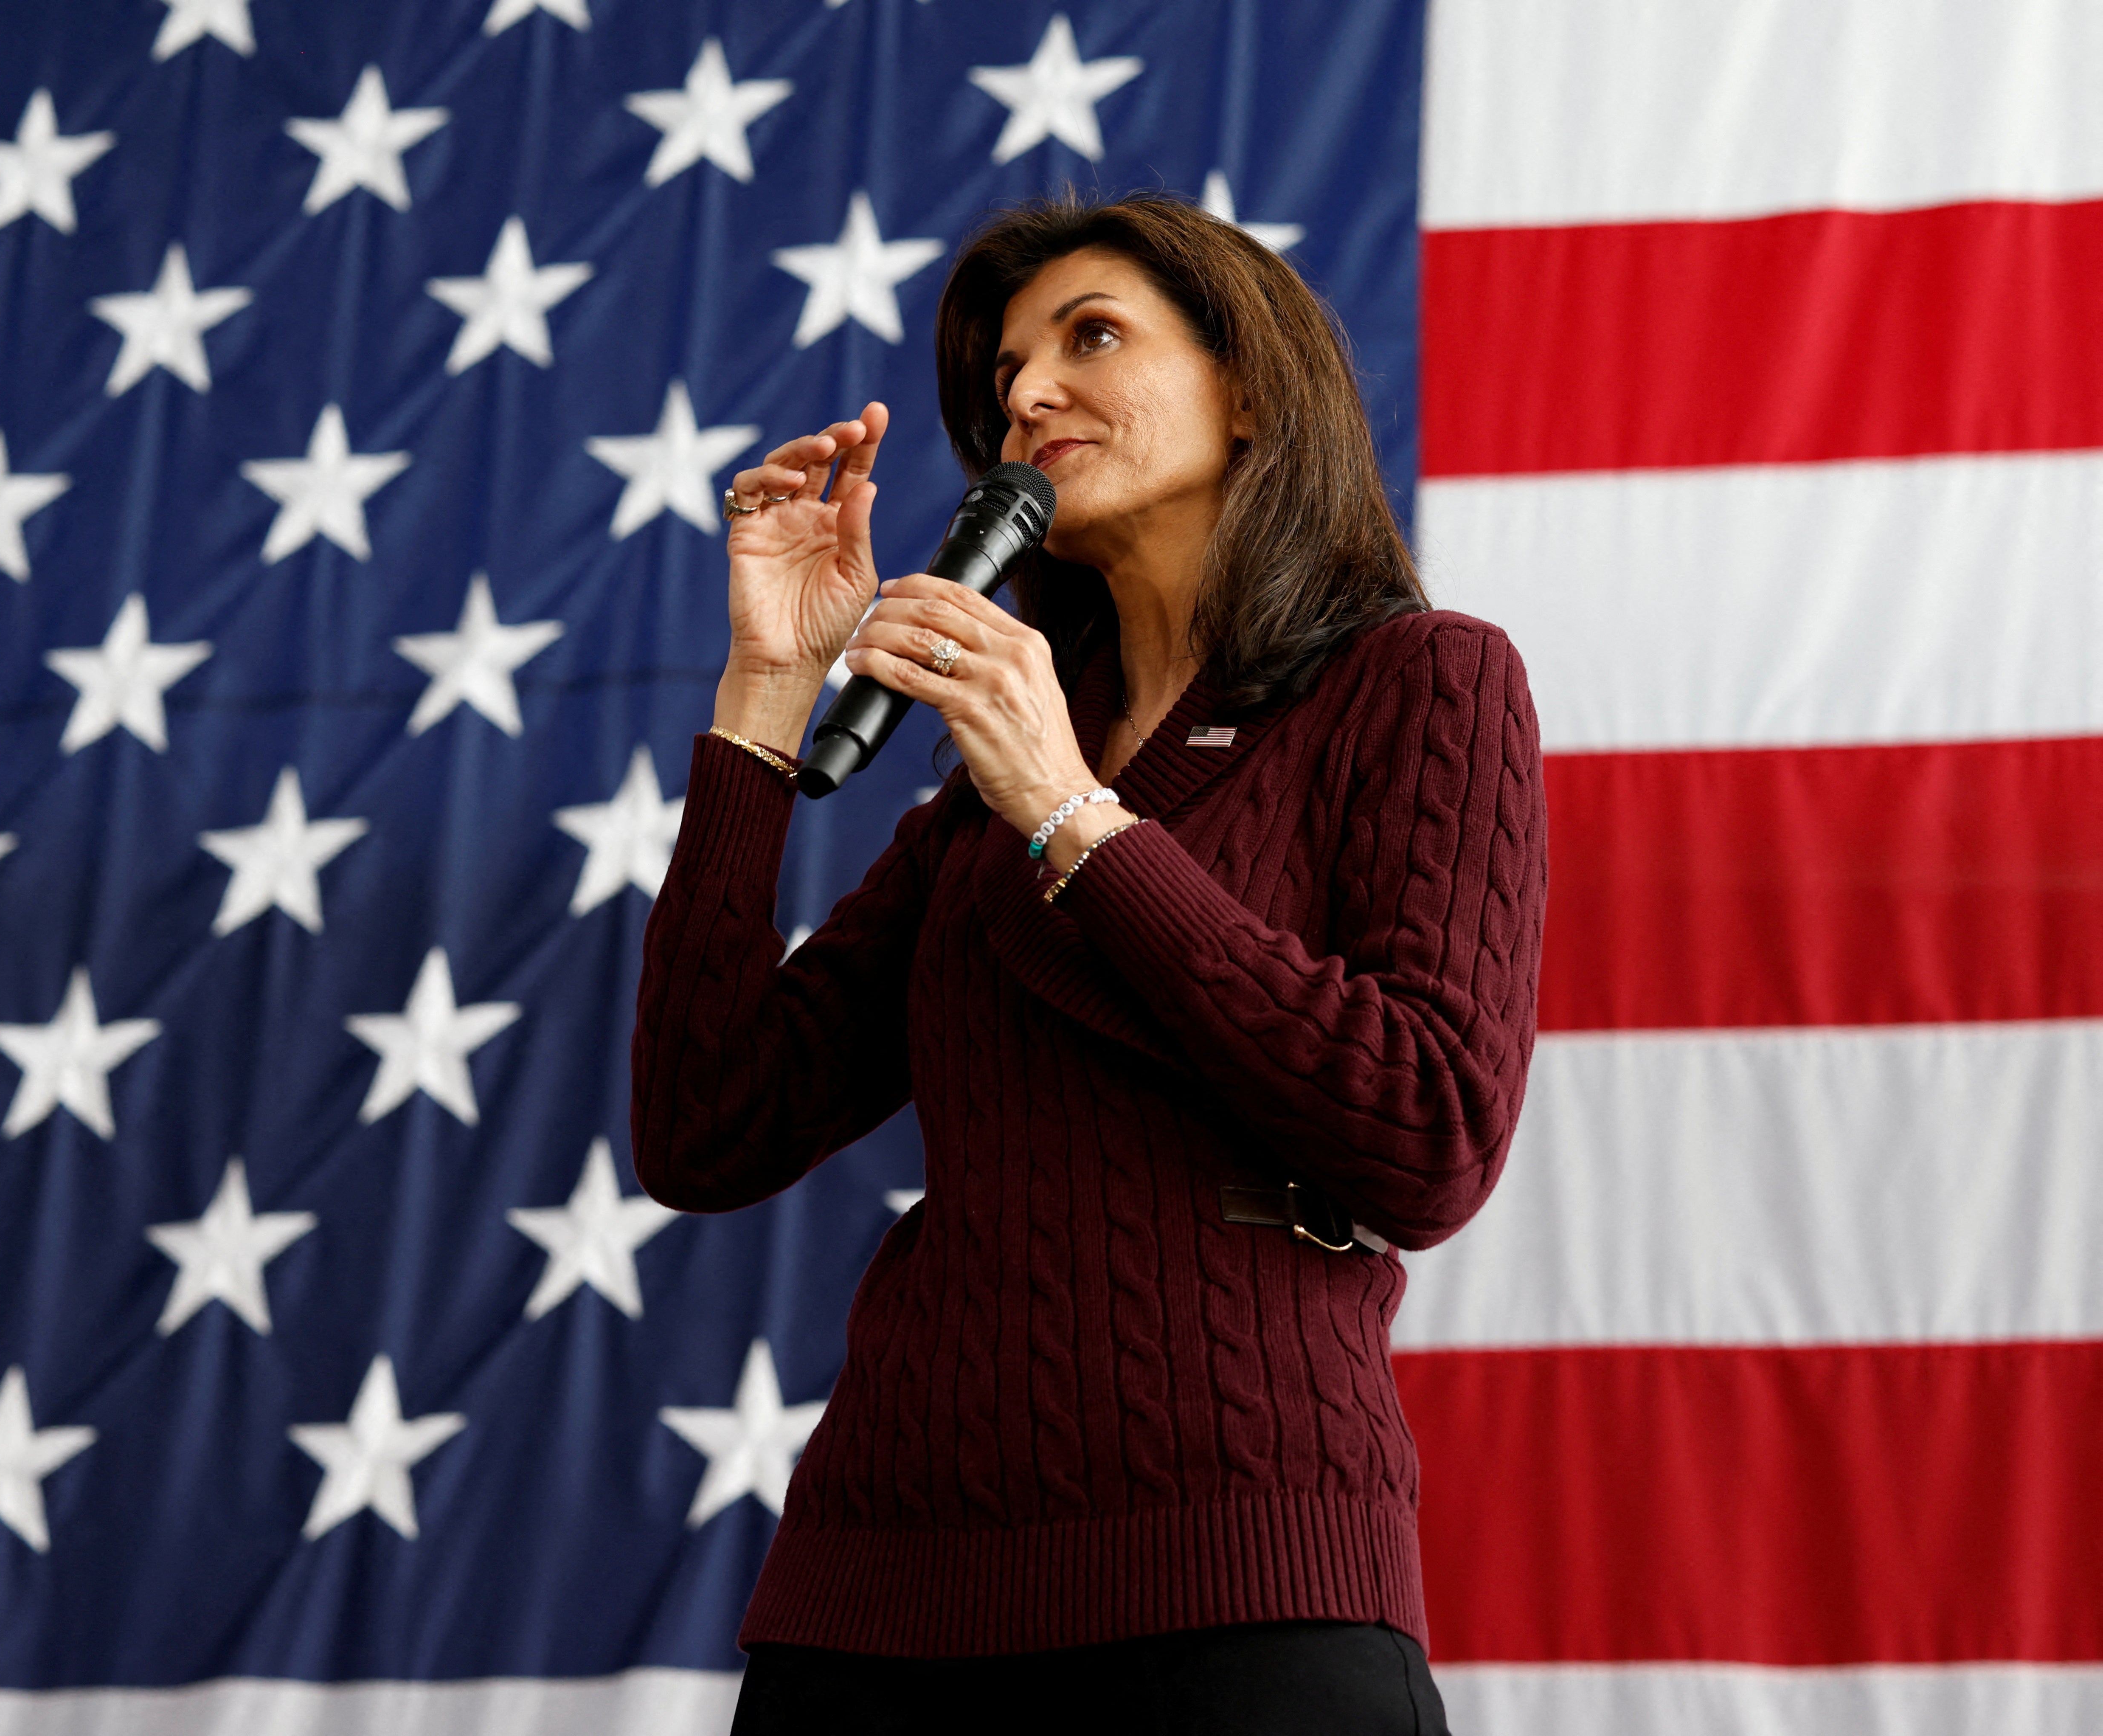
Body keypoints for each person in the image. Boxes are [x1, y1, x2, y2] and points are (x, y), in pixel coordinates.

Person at [630, 194, 1546, 1736]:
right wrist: (765, 697)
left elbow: (1429, 1135)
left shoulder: (1422, 681)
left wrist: (1077, 816)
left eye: (1092, 336)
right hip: (882, 1590)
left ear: (1250, 384)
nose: (1027, 396)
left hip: (1243, 1577)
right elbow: (707, 1124)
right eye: (1005, 376)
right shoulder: (978, 801)